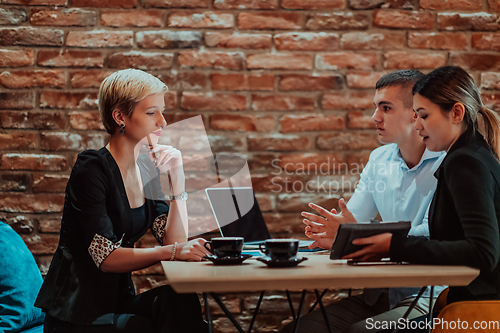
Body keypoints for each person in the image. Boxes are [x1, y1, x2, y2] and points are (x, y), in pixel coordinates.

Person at [35, 69, 211, 333]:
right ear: (120, 116)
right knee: (143, 326)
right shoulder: (91, 168)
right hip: (78, 314)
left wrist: (178, 181)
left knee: (180, 300)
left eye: (162, 111)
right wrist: (173, 251)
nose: (163, 121)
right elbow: (105, 257)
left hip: (117, 303)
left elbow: (173, 241)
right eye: (152, 112)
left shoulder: (147, 169)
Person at [281, 70, 446, 333]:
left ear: (416, 112)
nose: (375, 117)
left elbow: (433, 233)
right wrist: (337, 233)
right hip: (381, 294)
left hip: (430, 296)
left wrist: (360, 236)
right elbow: (355, 220)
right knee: (298, 330)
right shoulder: (379, 159)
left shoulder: (447, 161)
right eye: (376, 107)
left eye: (386, 108)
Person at [346, 66, 500, 309]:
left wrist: (394, 246)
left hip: (472, 309)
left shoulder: (464, 162)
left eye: (424, 116)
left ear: (456, 113)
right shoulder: (467, 155)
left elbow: (483, 251)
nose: (417, 126)